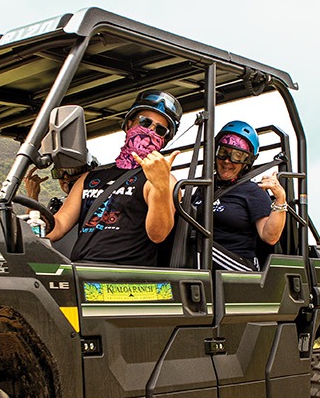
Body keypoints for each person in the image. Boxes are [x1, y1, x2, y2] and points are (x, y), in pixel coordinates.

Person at [47, 90, 181, 266]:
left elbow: (158, 234)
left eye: (160, 130)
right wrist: (30, 229)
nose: (150, 131)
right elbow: (59, 223)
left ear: (164, 140)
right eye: (144, 122)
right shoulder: (89, 178)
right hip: (81, 270)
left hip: (126, 278)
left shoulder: (163, 181)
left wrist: (161, 185)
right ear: (128, 125)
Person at [192, 120, 288, 271]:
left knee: (197, 247)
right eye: (223, 152)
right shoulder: (202, 188)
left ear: (247, 161)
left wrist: (280, 199)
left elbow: (269, 237)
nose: (227, 161)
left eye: (237, 156)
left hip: (238, 263)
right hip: (203, 259)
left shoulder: (253, 191)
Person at [24, 157, 97, 214]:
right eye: (59, 173)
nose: (66, 177)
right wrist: (33, 195)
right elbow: (34, 230)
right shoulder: (57, 205)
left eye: (72, 170)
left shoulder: (99, 201)